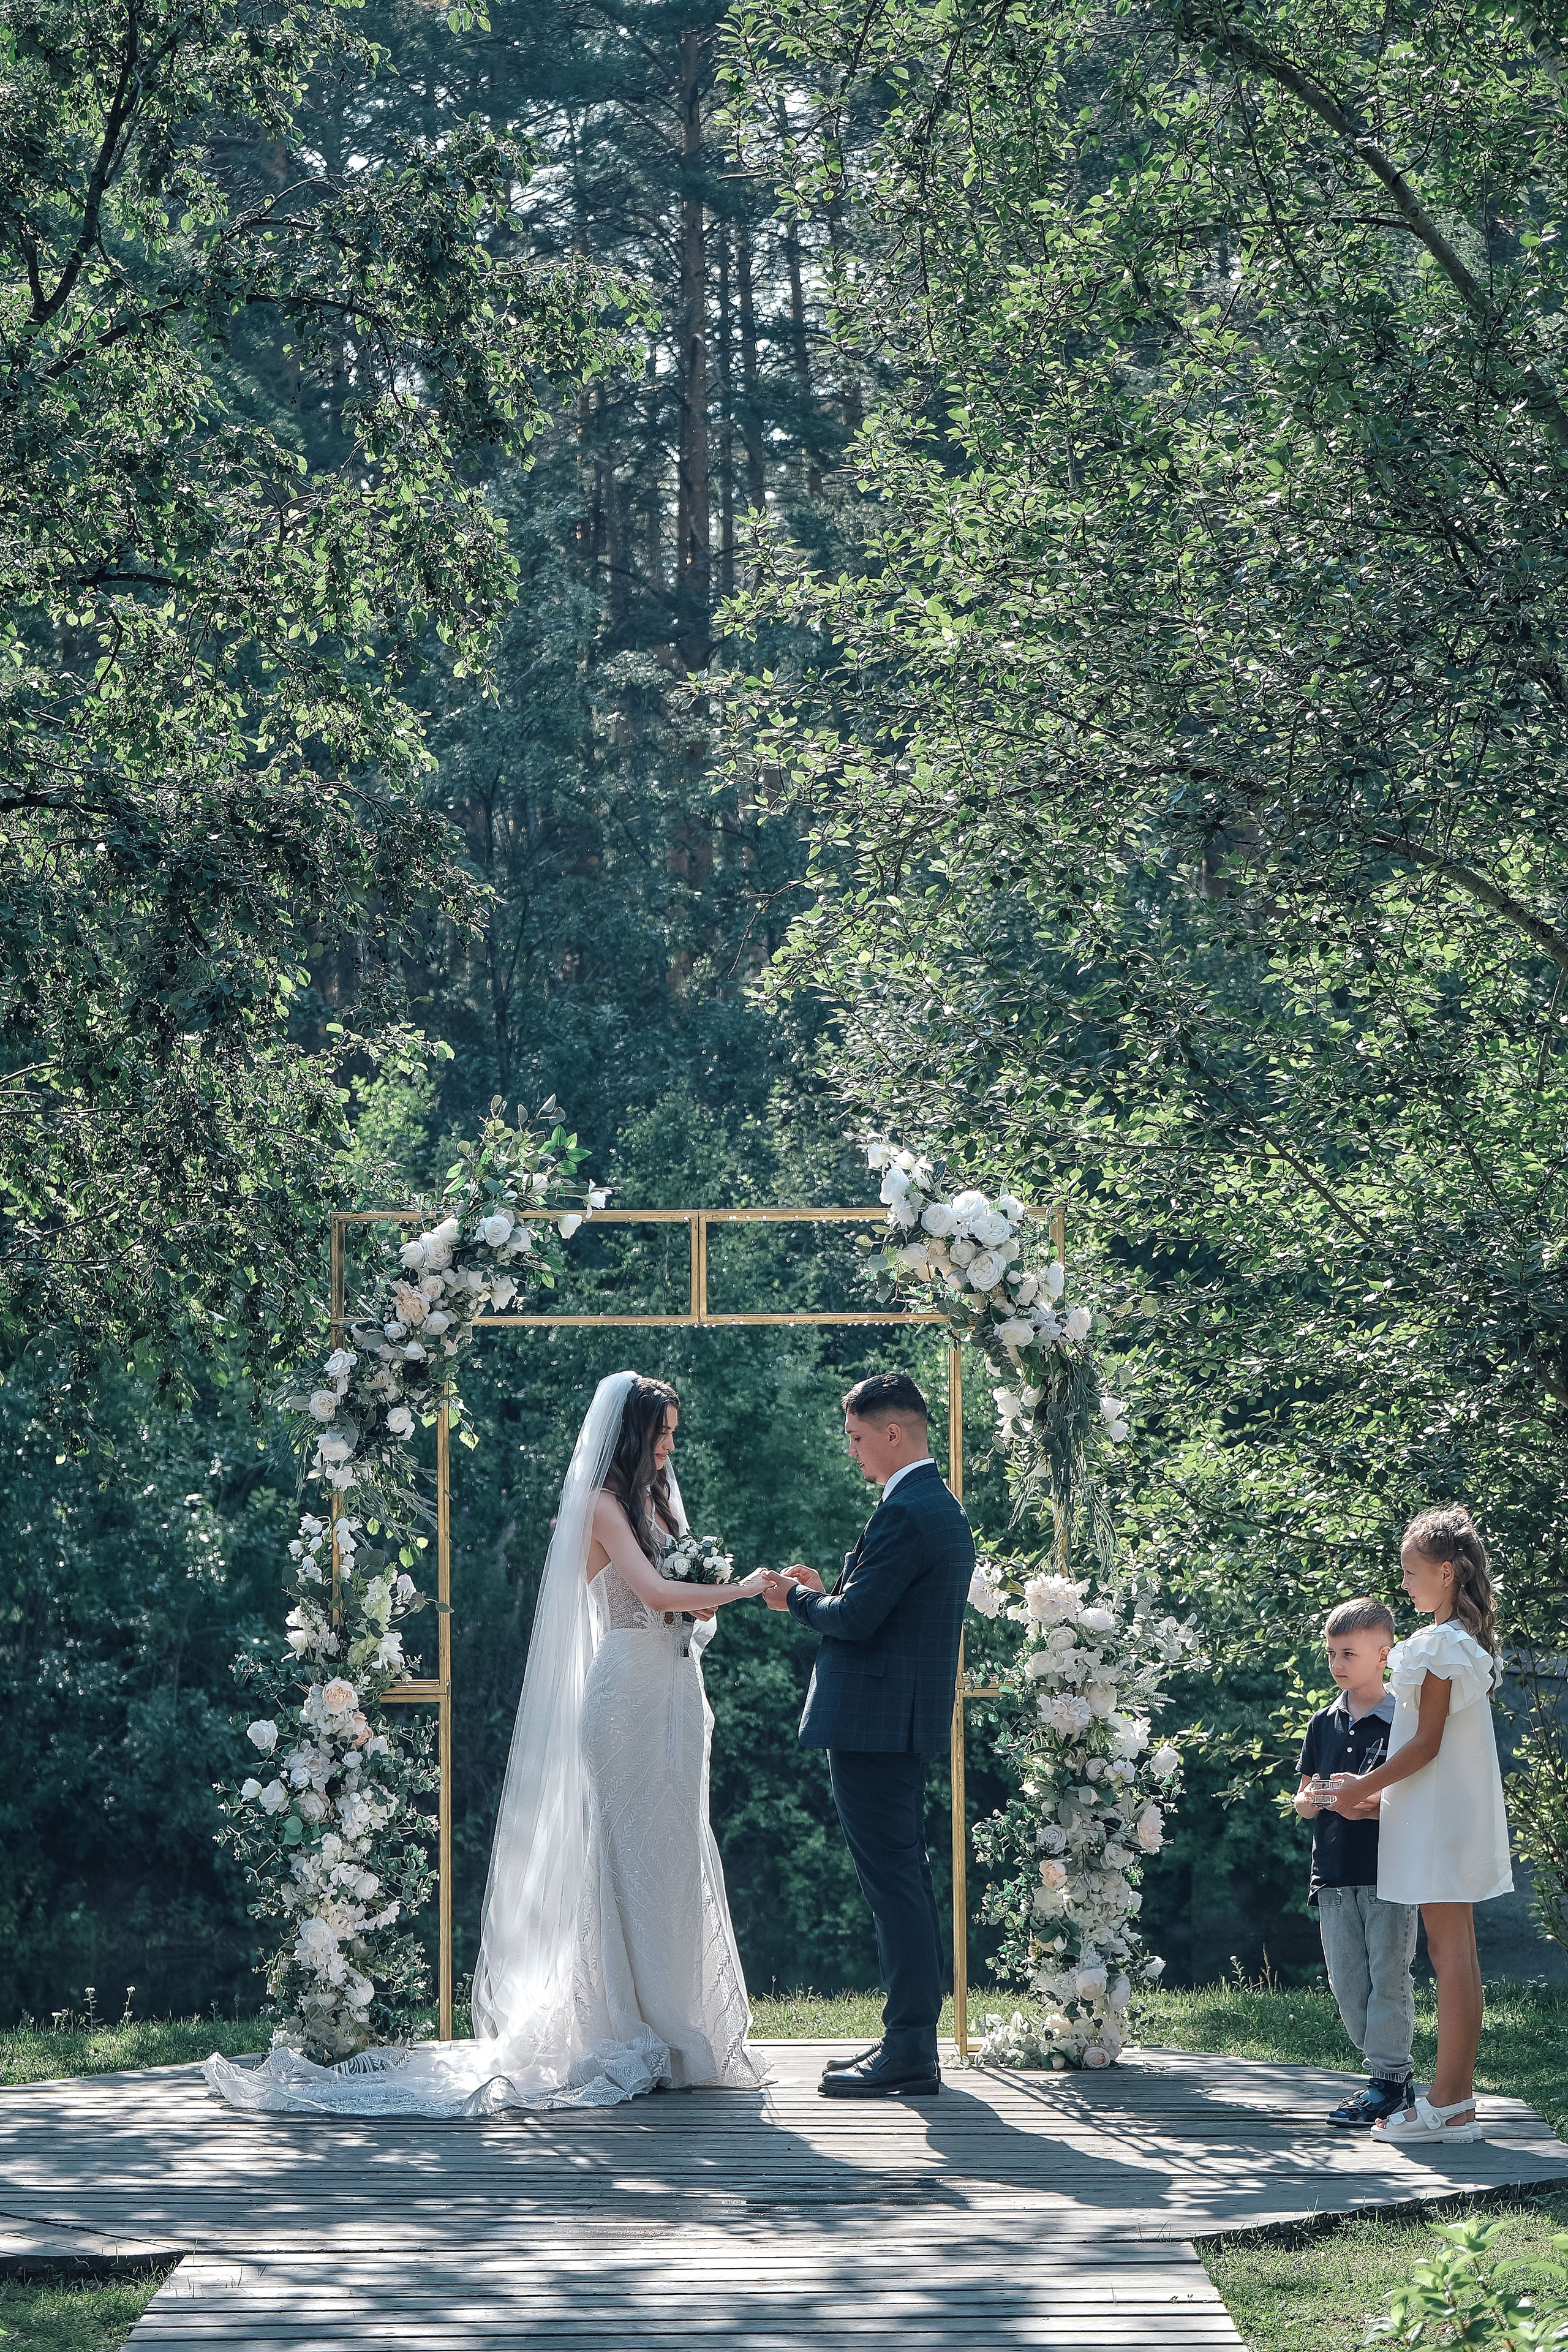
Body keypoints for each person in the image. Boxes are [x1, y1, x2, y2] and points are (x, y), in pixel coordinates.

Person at [205, 1370, 770, 2116]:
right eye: (661, 1432)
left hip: (674, 1697)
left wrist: (716, 1597)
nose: (670, 1444)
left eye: (672, 1431)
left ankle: (679, 2030)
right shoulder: (602, 1507)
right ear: (630, 1436)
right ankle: (628, 2026)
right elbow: (658, 1594)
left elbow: (683, 1607)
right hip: (624, 1698)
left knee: (672, 1853)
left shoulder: (658, 1501)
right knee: (626, 1855)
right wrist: (741, 1587)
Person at [763, 1371, 975, 2100]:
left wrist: (792, 1597)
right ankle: (904, 2040)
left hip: (875, 1726)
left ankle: (911, 2050)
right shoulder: (927, 1505)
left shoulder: (909, 1511)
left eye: (856, 1437)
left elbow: (853, 1621)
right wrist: (825, 1590)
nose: (851, 1451)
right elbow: (869, 1604)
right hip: (892, 1723)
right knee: (900, 1881)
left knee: (894, 1886)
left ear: (893, 1433)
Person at [1314, 1505, 1512, 2144]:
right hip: (1450, 1809)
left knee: (1448, 1953)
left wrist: (1359, 1789)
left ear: (1446, 1572)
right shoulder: (1461, 1642)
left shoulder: (1434, 1644)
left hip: (1434, 1815)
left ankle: (1448, 2102)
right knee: (1458, 1953)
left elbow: (1423, 1744)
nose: (1403, 1585)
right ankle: (1453, 2101)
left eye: (1411, 1573)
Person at [1293, 1598, 1416, 2128]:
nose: (1337, 1664)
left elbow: (1411, 1803)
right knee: (1348, 1985)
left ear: (1383, 1655)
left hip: (1389, 1872)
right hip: (1333, 1875)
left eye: (1348, 1653)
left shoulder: (1406, 1723)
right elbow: (1301, 1801)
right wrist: (1322, 1797)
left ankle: (1388, 2081)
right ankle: (1388, 2078)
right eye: (1330, 1654)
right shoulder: (1324, 1724)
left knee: (1390, 1976)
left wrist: (1368, 1804)